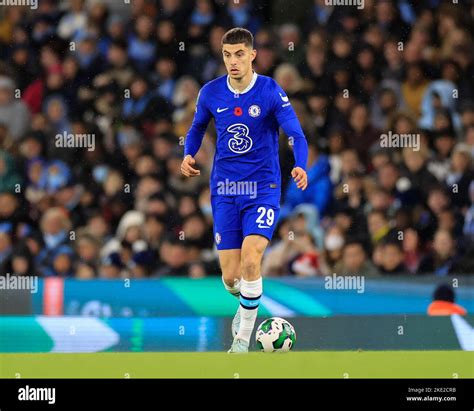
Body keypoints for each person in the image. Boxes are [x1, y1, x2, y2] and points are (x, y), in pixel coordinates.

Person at [181, 27, 308, 353]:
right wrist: (188, 154)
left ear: (252, 55)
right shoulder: (210, 92)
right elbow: (196, 128)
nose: (233, 61)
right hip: (224, 189)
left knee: (252, 260)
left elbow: (295, 132)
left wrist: (301, 164)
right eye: (227, 55)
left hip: (262, 189)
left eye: (239, 54)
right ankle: (246, 305)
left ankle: (242, 340)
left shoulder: (269, 90)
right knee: (230, 278)